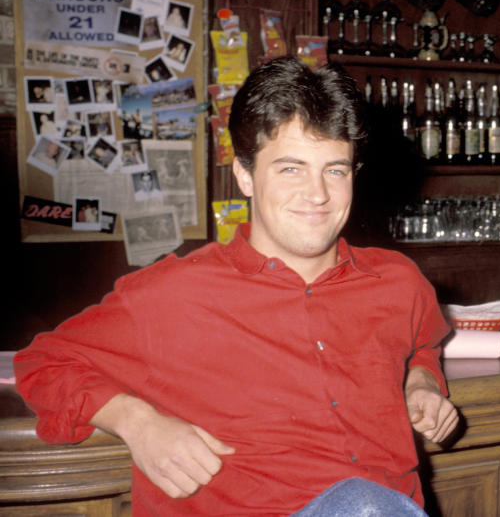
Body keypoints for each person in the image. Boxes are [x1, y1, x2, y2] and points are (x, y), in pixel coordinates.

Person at [15, 56, 460, 515]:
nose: (318, 194)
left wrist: (420, 383)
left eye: (335, 170)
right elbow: (42, 363)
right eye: (291, 169)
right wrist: (137, 421)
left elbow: (421, 344)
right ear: (245, 175)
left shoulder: (398, 281)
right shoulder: (173, 293)